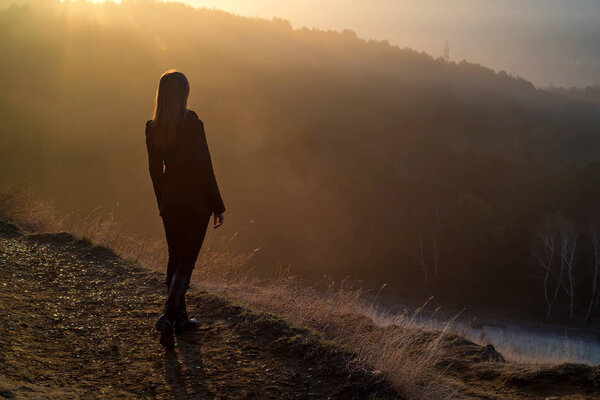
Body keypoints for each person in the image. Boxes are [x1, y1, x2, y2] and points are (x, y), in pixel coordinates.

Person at [145, 70, 226, 350]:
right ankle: (168, 317)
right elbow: (205, 168)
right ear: (185, 95)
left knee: (174, 259)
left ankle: (179, 321)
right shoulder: (193, 124)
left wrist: (162, 203)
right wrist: (218, 206)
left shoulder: (153, 127)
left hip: (170, 203)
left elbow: (155, 172)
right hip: (195, 204)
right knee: (186, 262)